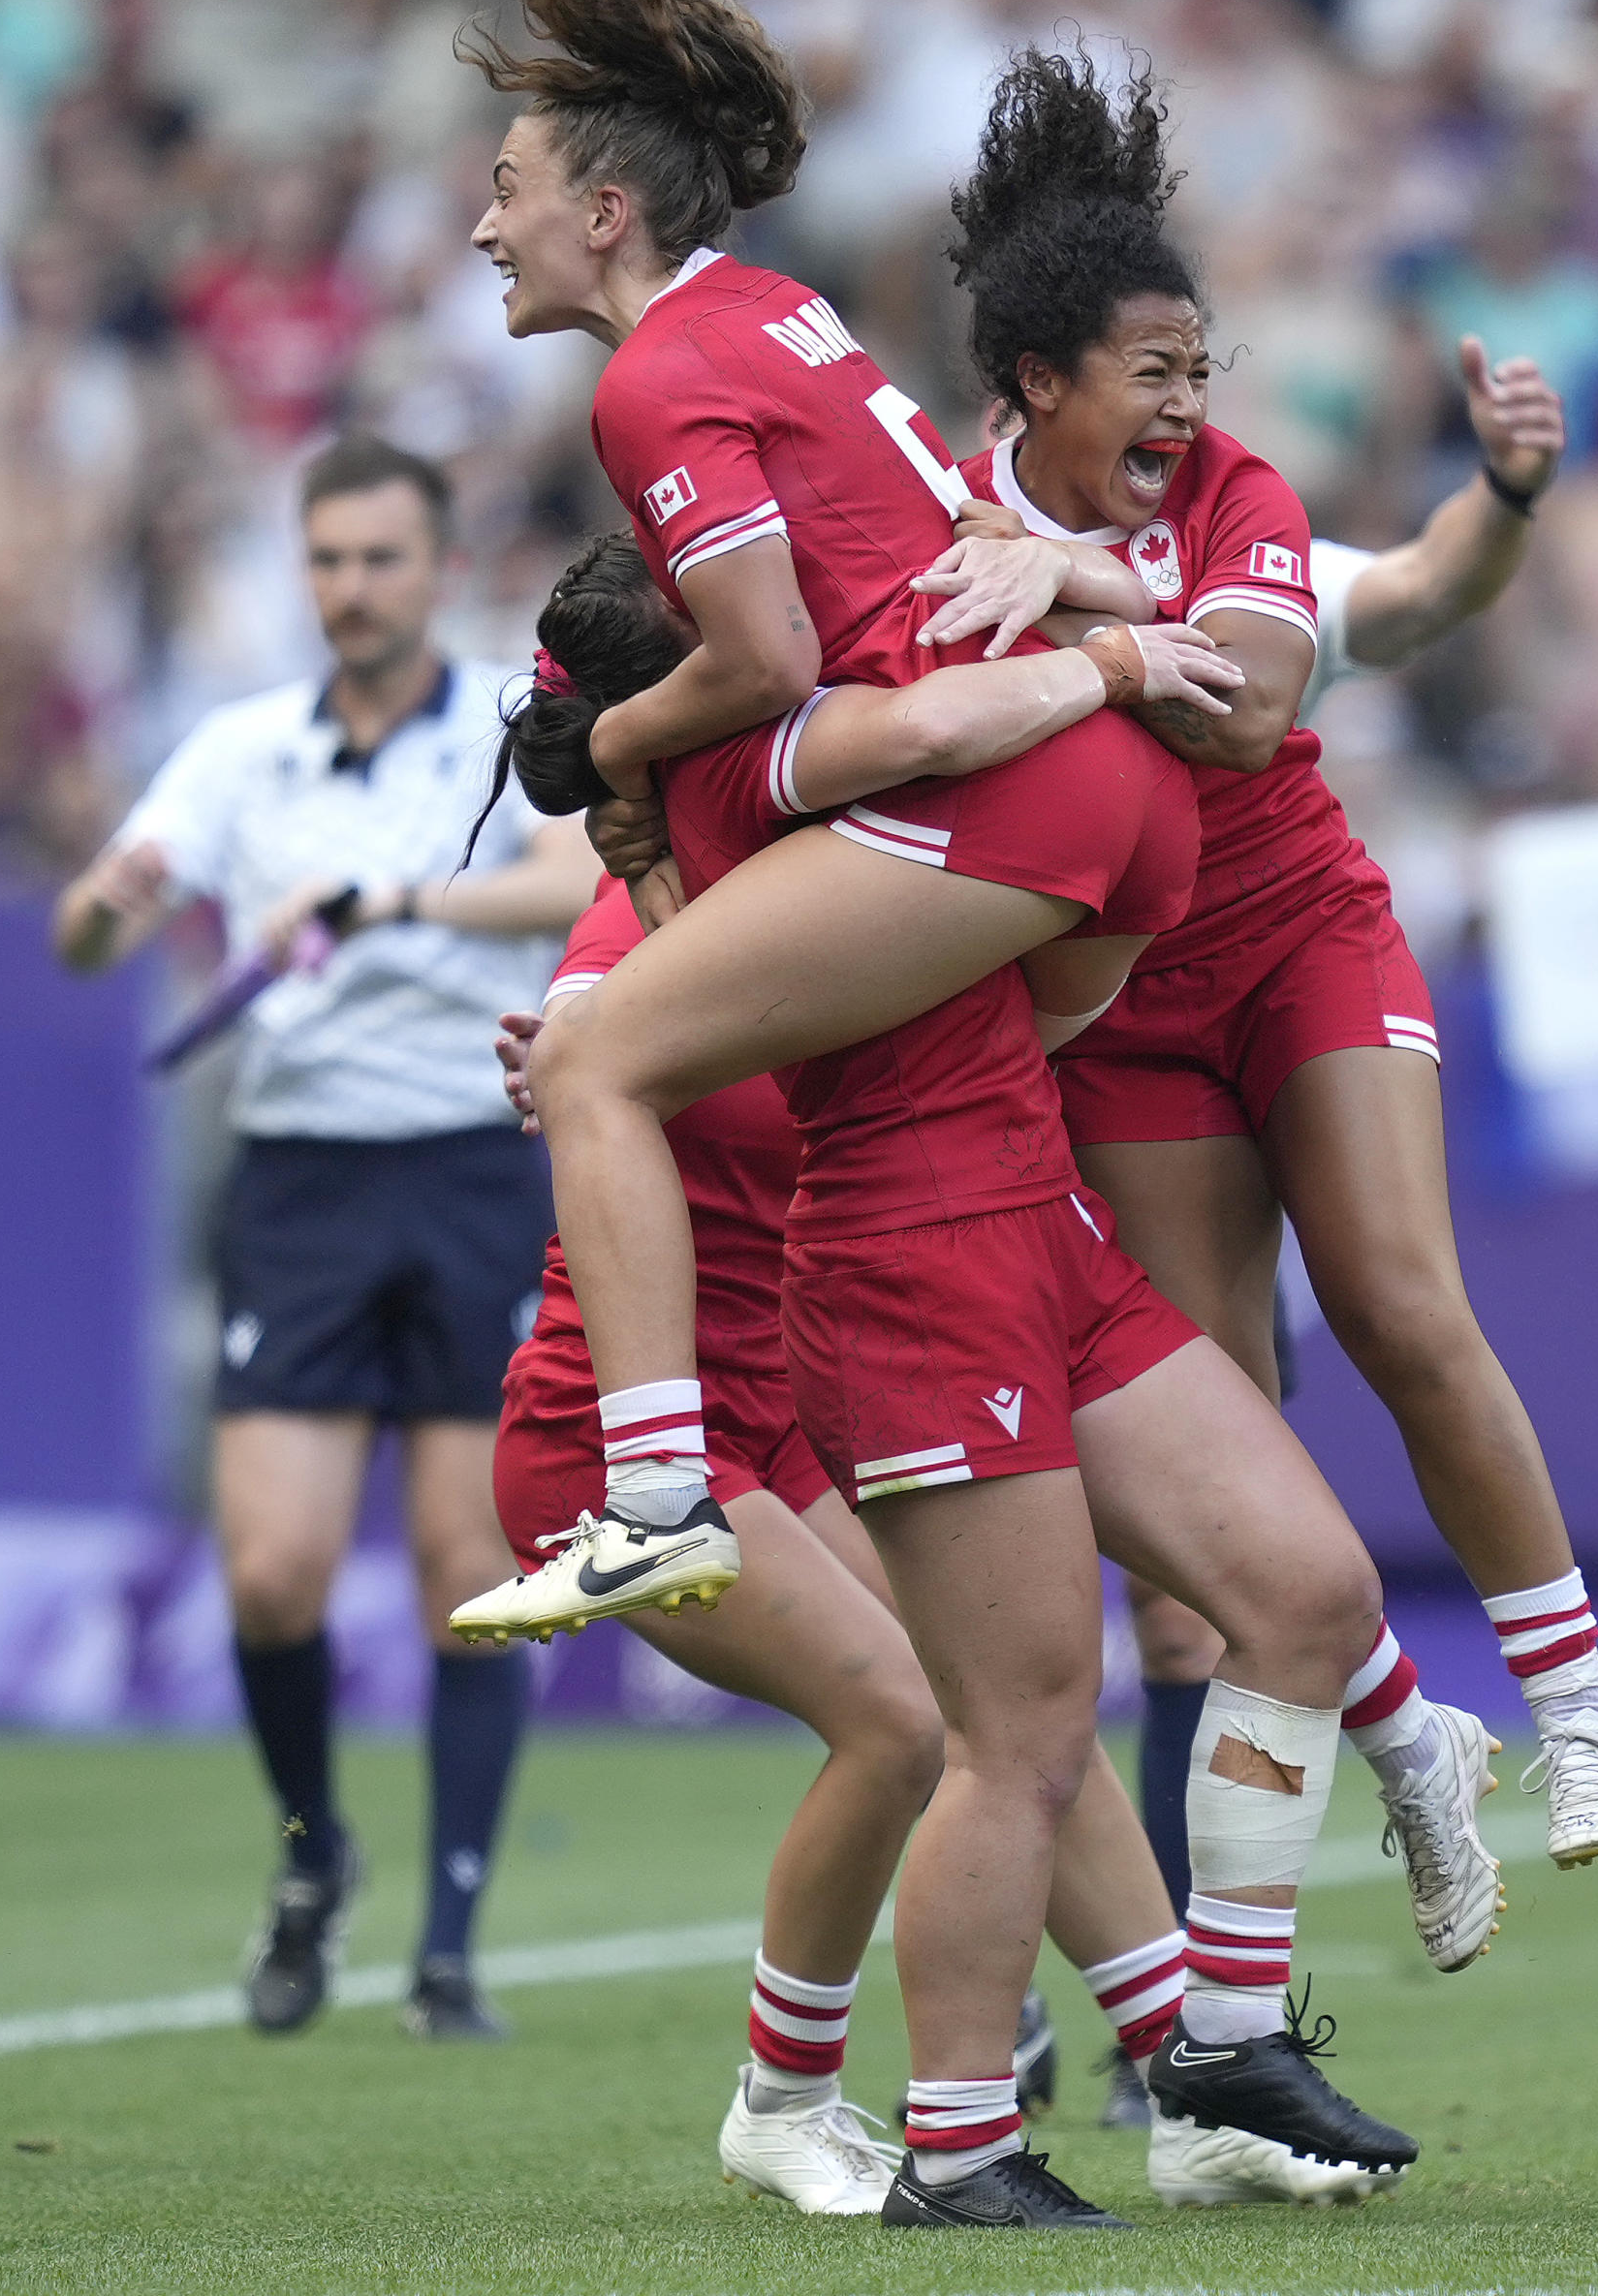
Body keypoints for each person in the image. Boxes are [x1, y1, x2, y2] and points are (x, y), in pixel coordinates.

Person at [466, 531, 1463, 2226]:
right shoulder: (661, 925)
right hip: (681, 1412)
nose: (814, 640)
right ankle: (812, 2102)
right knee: (939, 1722)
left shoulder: (818, 845)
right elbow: (609, 1045)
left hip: (823, 1375)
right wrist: (1119, 664)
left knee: (1049, 1702)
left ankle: (1190, 2063)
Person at [920, 50, 1598, 1951]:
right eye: (1159, 369)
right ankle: (1364, 1811)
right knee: (1212, 1495)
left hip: (1296, 930)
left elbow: (1256, 697)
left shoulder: (1234, 491)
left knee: (1405, 1305)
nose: (1193, 401)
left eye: (1198, 366)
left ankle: (1577, 1712)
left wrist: (1073, 587)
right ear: (1040, 383)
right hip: (1119, 1004)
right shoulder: (924, 511)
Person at [450, 0, 1205, 1627]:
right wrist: (1105, 605)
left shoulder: (651, 383)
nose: (486, 232)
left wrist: (624, 737)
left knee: (595, 1073)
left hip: (994, 777)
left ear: (607, 210)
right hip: (1078, 789)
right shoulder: (780, 311)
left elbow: (775, 654)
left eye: (505, 193)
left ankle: (657, 1492)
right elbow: (933, 555)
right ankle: (1351, 1694)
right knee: (952, 1142)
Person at [48, 434, 598, 2043]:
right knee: (275, 1575)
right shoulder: (238, 753)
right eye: (329, 561)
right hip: (297, 1183)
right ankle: (312, 1858)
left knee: (461, 1576)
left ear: (435, 568)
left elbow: (573, 875)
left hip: (470, 1161)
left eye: (381, 558)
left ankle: (448, 1948)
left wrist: (391, 904)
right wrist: (124, 887)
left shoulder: (511, 721)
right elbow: (89, 939)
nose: (353, 588)